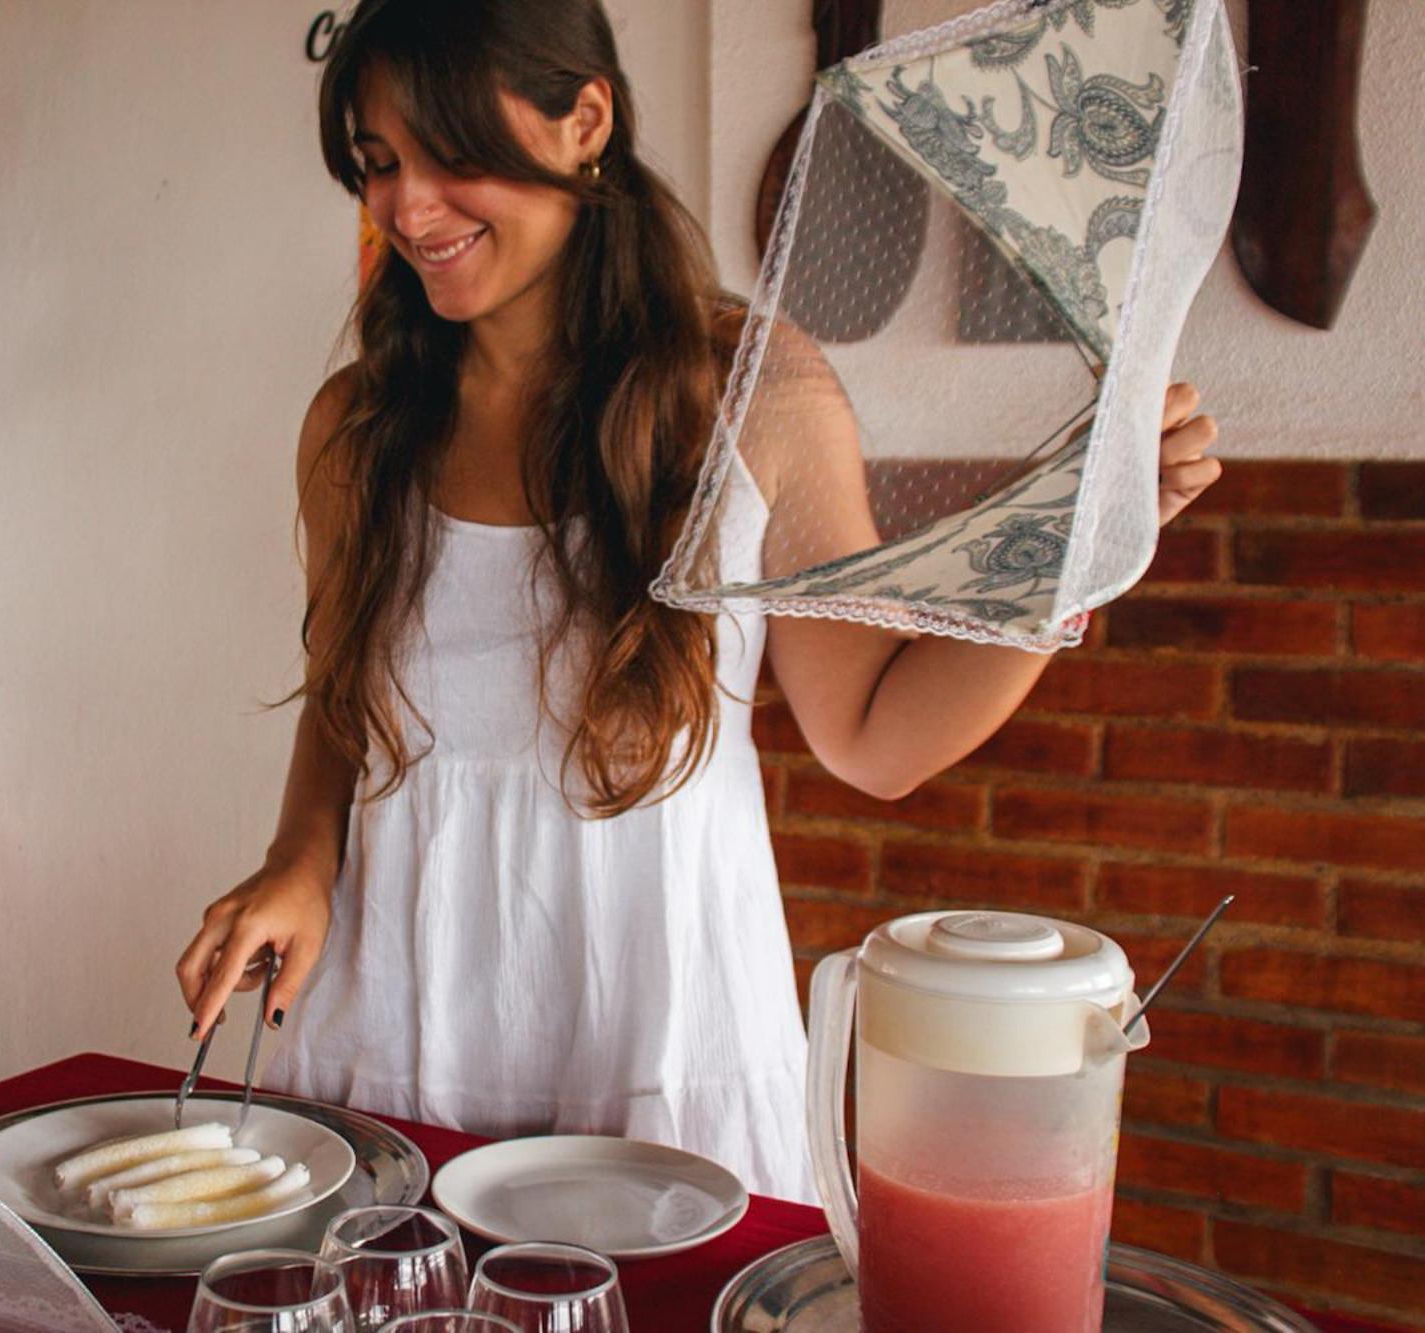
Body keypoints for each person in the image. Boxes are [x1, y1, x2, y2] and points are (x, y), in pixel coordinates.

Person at [174, 0, 1220, 1201]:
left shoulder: (752, 392)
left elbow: (875, 736)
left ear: (584, 122)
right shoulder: (352, 429)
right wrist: (299, 858)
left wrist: (1071, 540)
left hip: (662, 1040)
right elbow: (344, 697)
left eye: (452, 155)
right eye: (377, 165)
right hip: (395, 1030)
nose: (409, 209)